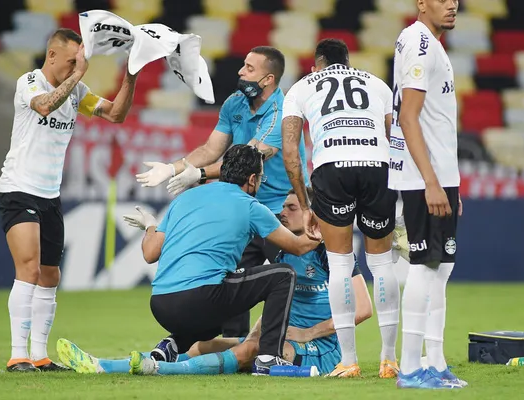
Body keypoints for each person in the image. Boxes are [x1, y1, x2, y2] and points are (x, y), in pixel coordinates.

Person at [55, 187, 374, 376]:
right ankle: (108, 365)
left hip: (321, 348)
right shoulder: (283, 251)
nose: (283, 212)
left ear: (309, 214)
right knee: (204, 344)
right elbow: (278, 299)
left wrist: (307, 332)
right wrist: (263, 331)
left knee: (249, 350)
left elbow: (362, 309)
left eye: (291, 208)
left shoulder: (337, 255)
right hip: (283, 338)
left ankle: (159, 369)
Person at [135, 46, 309, 341]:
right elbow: (211, 149)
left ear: (268, 79)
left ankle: (298, 339)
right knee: (232, 274)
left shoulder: (283, 112)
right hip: (241, 207)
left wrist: (198, 174)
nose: (241, 71)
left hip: (280, 209)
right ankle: (235, 349)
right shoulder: (235, 103)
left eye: (249, 68)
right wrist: (172, 168)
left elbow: (251, 157)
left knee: (300, 274)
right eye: (243, 64)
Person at [0, 28, 139, 372]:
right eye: (73, 59)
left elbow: (115, 114)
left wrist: (131, 75)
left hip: (50, 194)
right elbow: (45, 106)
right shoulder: (29, 82)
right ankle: (18, 355)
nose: (79, 65)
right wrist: (78, 75)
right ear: (52, 56)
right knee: (28, 269)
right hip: (19, 188)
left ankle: (40, 356)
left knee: (50, 275)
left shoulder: (78, 92)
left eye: (81, 59)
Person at [129, 144, 321, 375]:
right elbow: (299, 247)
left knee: (225, 293)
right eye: (261, 178)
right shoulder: (251, 206)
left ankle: (172, 345)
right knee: (282, 275)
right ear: (252, 179)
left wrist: (150, 224)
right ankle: (269, 358)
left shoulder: (184, 198)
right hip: (201, 298)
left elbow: (150, 254)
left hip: (160, 304)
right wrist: (334, 224)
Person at [281, 38, 401, 379]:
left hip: (331, 168)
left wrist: (306, 206)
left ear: (316, 64)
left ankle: (349, 362)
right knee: (381, 264)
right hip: (378, 166)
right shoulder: (376, 83)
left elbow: (292, 153)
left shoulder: (302, 87)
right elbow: (397, 138)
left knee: (339, 265)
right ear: (348, 62)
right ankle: (389, 360)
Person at [388, 0, 466, 389]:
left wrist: (448, 184)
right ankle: (410, 368)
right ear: (421, 4)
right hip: (425, 179)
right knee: (423, 265)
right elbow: (408, 116)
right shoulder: (419, 42)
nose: (452, 4)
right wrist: (432, 182)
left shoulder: (429, 43)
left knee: (440, 269)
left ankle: (434, 361)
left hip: (439, 177)